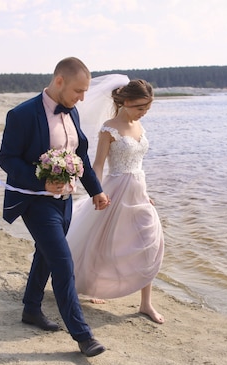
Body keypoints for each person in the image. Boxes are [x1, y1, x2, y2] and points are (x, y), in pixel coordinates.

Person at [0, 57, 111, 357]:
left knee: (46, 255)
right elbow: (6, 159)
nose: (82, 98)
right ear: (59, 81)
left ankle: (31, 309)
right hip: (34, 199)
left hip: (66, 200)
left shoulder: (71, 113)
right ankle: (83, 336)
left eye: (85, 92)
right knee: (62, 261)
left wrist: (95, 191)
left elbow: (80, 155)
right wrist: (41, 181)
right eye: (78, 90)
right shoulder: (22, 114)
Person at [67, 79, 165, 324]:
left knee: (148, 244)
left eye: (147, 109)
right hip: (115, 191)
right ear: (126, 101)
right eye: (140, 107)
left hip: (139, 192)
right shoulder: (108, 129)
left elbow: (138, 165)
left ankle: (145, 304)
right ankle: (92, 286)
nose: (144, 113)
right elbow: (98, 164)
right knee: (103, 241)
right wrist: (95, 192)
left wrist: (146, 193)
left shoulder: (139, 125)